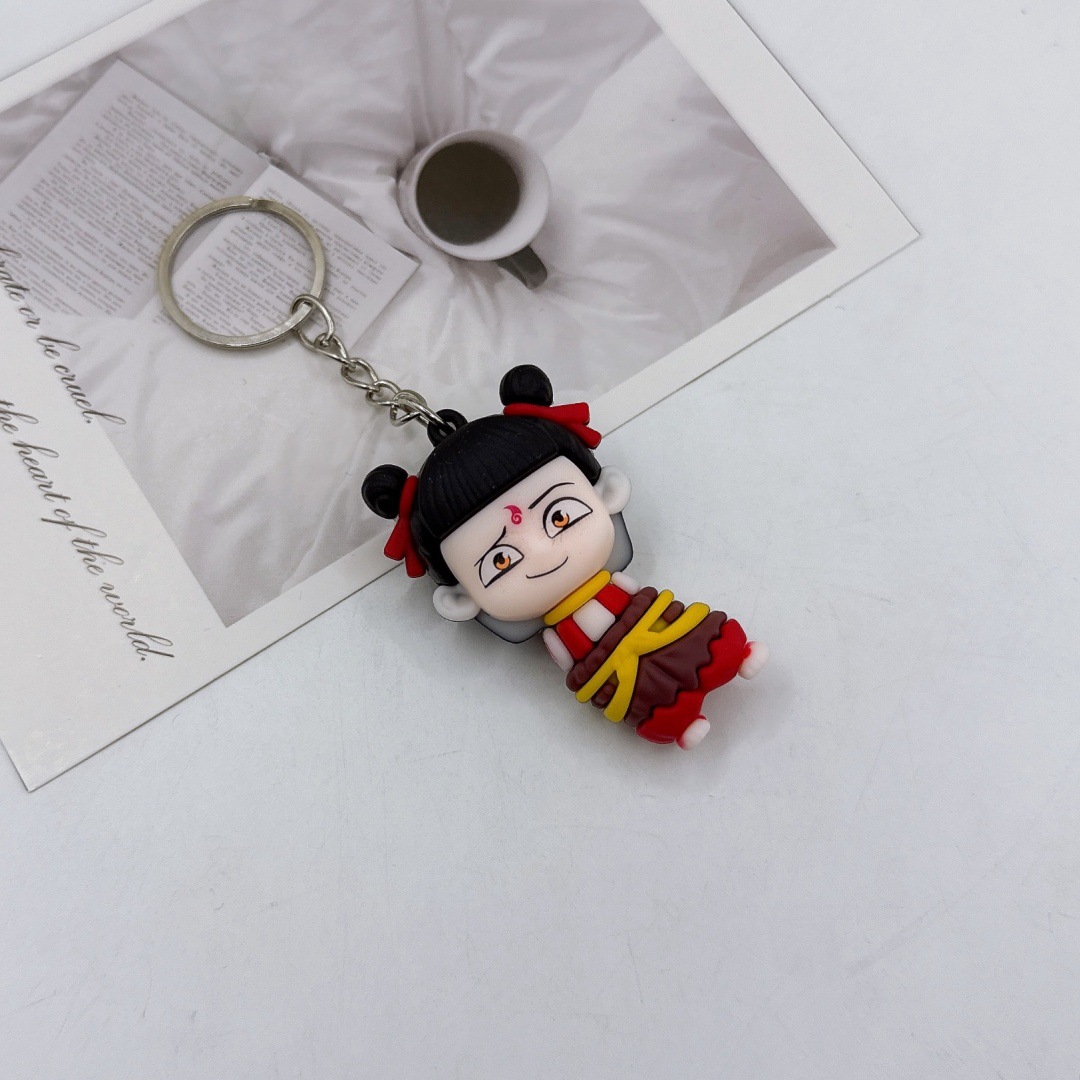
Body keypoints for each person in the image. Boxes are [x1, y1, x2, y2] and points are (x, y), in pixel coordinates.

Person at [362, 365, 767, 749]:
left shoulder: (612, 588)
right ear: (460, 598)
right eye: (501, 560)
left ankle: (737, 657)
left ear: (606, 493)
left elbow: (630, 601)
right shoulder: (556, 632)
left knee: (700, 643)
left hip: (647, 623)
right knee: (646, 695)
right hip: (606, 664)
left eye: (559, 517)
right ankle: (683, 721)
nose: (541, 552)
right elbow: (566, 659)